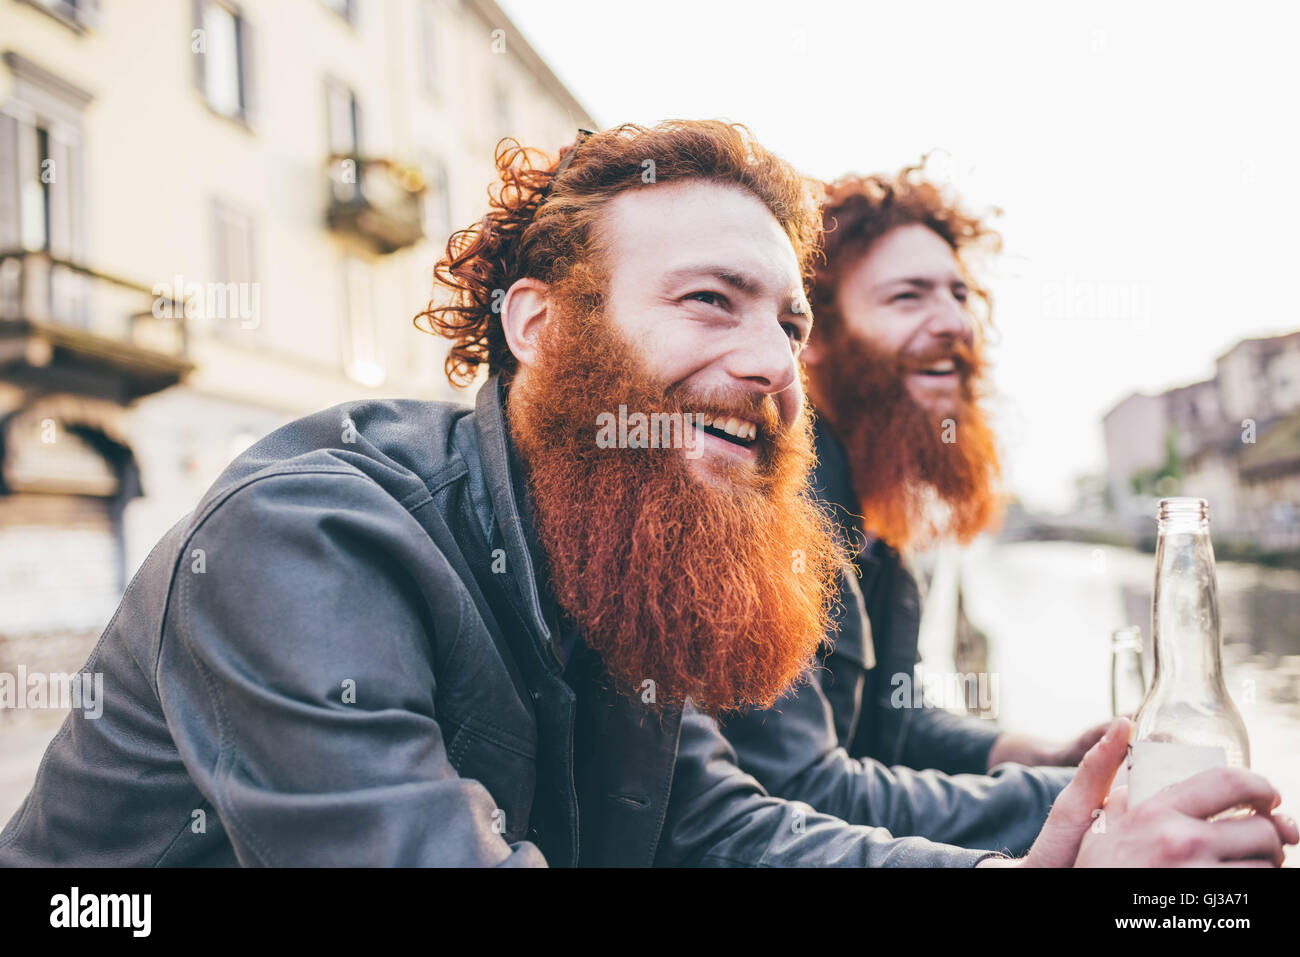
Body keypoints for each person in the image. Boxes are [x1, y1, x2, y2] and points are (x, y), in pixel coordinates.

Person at [0, 123, 1291, 868]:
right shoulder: (305, 540)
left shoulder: (624, 540)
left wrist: (1063, 845)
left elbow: (717, 819)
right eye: (707, 301)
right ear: (540, 325)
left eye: (787, 320)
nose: (772, 362)